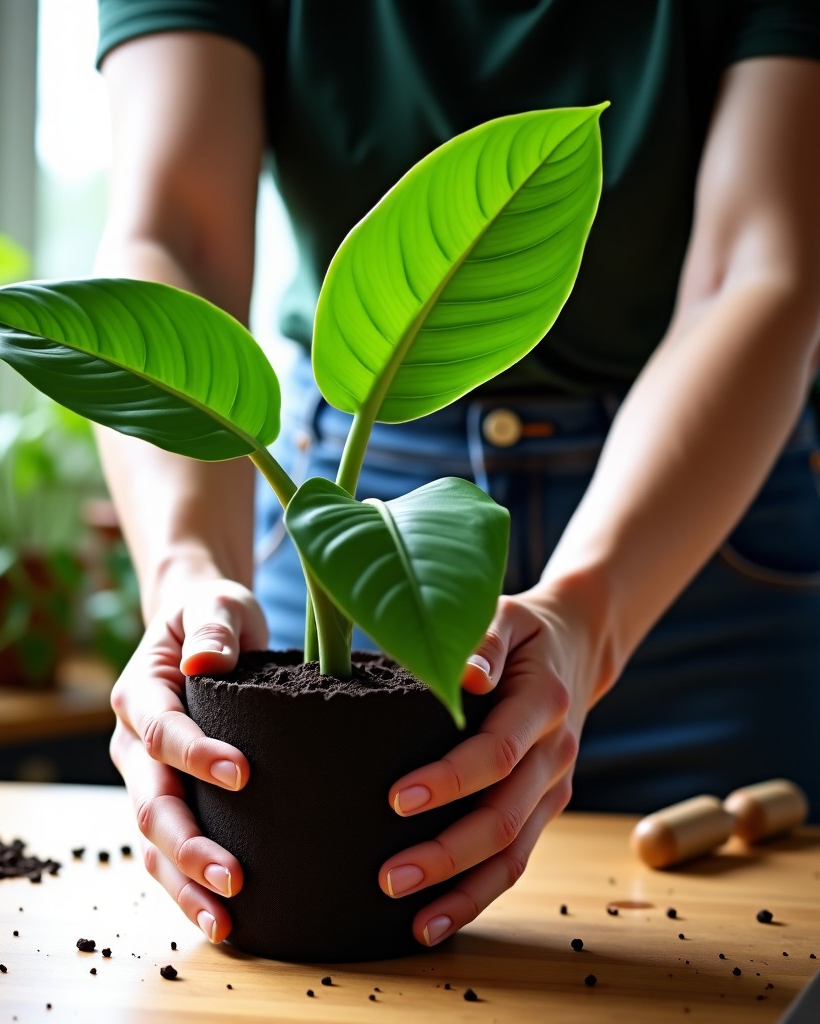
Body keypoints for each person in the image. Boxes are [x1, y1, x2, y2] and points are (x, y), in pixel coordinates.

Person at [91, 2, 820, 949]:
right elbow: (175, 236)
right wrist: (186, 572)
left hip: (701, 527)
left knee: (733, 954)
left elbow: (760, 268)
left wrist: (588, 614)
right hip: (347, 504)